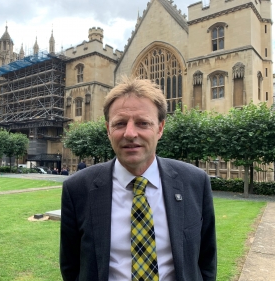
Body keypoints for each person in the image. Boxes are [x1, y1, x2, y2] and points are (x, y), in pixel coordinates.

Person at [60, 77, 217, 281]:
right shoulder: (77, 188)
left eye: (143, 123)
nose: (130, 133)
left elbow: (206, 260)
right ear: (108, 129)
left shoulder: (195, 182)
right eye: (120, 123)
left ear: (160, 128)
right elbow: (71, 266)